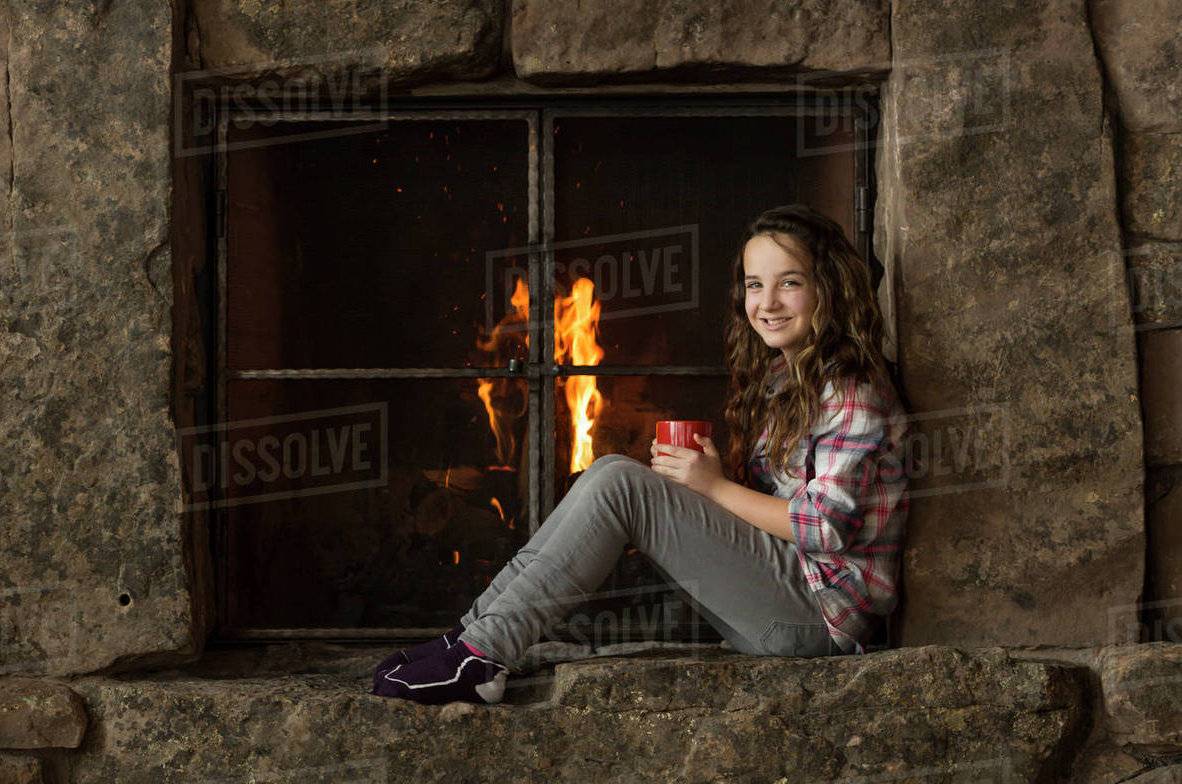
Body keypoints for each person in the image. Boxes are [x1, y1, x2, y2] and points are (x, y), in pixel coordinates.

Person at [371, 204, 910, 706]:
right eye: (754, 284)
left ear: (828, 288)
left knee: (620, 484)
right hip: (784, 601)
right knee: (611, 472)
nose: (766, 303)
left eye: (789, 282)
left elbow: (826, 527)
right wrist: (699, 482)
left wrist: (714, 487)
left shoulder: (851, 389)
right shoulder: (784, 379)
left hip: (818, 619)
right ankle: (470, 636)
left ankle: (481, 658)